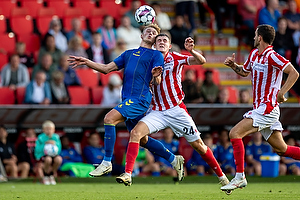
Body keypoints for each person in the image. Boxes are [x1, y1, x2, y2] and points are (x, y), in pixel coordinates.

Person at [116, 34, 230, 188]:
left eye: (165, 41)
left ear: (169, 46)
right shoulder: (148, 61)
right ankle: (128, 174)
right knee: (136, 133)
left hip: (177, 110)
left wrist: (192, 51)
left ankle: (222, 177)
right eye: (159, 41)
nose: (162, 42)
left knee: (199, 145)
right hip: (156, 111)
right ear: (155, 46)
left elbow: (201, 61)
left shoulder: (175, 57)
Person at [69, 25, 180, 181]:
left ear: (155, 40)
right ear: (141, 35)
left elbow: (157, 80)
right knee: (142, 139)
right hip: (128, 100)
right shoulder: (128, 54)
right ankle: (174, 159)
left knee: (109, 118)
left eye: (154, 33)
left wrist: (156, 76)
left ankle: (107, 162)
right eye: (148, 31)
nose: (151, 33)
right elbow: (107, 69)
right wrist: (87, 62)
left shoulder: (156, 55)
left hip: (140, 99)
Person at [220, 24, 299, 192]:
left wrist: (281, 92)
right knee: (282, 149)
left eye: (256, 35)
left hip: (267, 109)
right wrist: (234, 66)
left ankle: (239, 177)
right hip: (260, 109)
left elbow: (294, 72)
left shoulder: (272, 56)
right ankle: (239, 177)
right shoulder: (255, 54)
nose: (254, 38)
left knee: (234, 133)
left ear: (260, 37)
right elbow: (245, 71)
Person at [34, 120, 62, 185]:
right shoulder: (40, 138)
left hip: (54, 155)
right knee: (48, 159)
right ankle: (46, 175)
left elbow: (59, 148)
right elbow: (37, 149)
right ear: (43, 130)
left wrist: (55, 144)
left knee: (59, 159)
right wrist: (45, 144)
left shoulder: (56, 137)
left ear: (53, 130)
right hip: (43, 155)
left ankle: (51, 174)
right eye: (47, 129)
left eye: (50, 129)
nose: (48, 131)